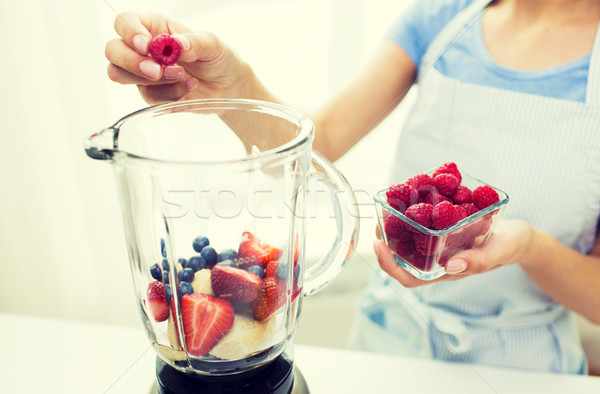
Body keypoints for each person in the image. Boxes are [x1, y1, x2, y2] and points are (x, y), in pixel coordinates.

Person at [104, 0, 600, 374]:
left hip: (528, 367)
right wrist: (231, 83)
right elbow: (315, 150)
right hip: (390, 346)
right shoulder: (445, 17)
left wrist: (530, 248)